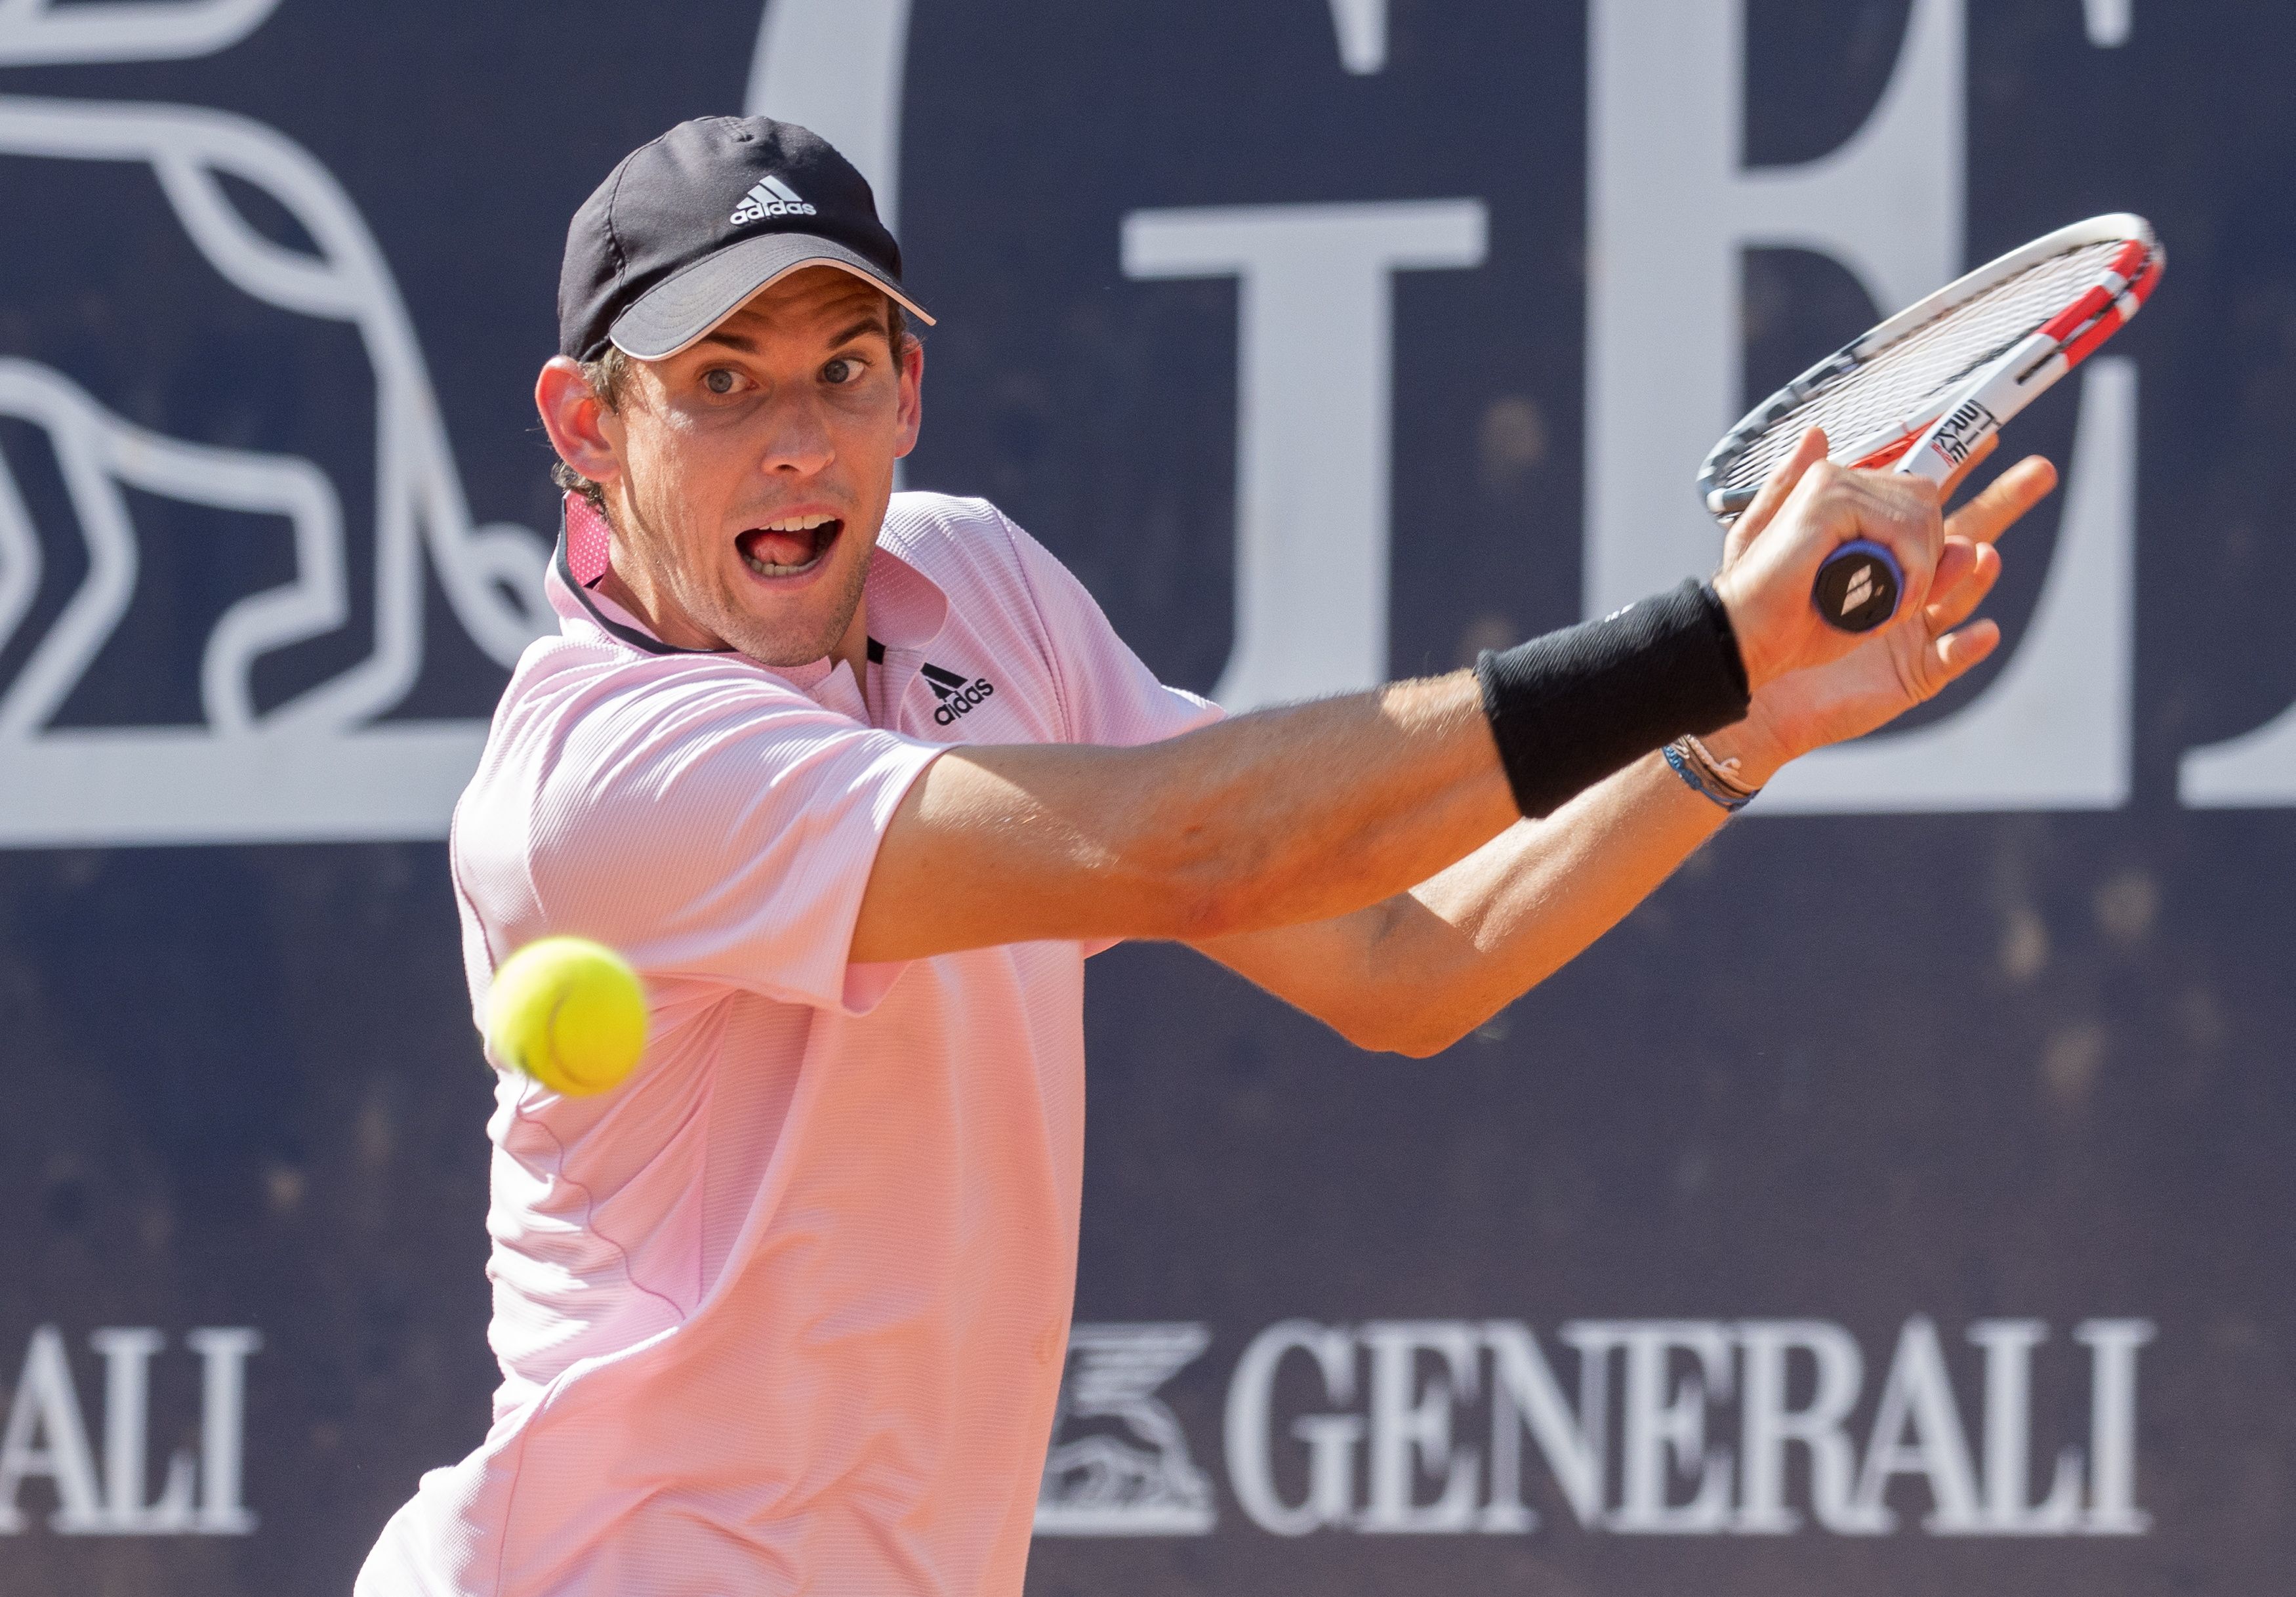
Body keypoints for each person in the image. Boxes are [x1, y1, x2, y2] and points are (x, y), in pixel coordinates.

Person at [356, 115, 2055, 1595]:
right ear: (584, 423)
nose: (791, 438)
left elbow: (1404, 962)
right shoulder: (601, 784)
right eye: (716, 383)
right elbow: (1202, 851)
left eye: (837, 371)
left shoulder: (982, 589)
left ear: (906, 396)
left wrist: (1736, 721)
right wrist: (1698, 639)